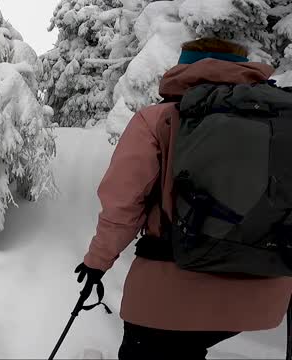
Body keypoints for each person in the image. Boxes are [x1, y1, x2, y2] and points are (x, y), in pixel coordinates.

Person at [75, 38, 292, 360]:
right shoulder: (283, 119)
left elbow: (123, 205)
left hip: (170, 293)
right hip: (267, 288)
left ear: (184, 67)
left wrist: (97, 262)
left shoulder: (159, 119)